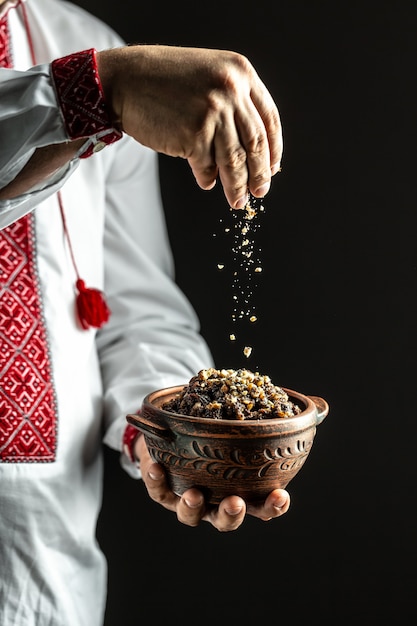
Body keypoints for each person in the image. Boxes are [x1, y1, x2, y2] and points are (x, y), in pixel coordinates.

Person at [0, 0, 288, 623]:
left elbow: (134, 312)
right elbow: (97, 87)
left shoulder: (83, 42)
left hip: (50, 581)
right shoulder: (104, 72)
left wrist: (173, 436)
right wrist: (90, 92)